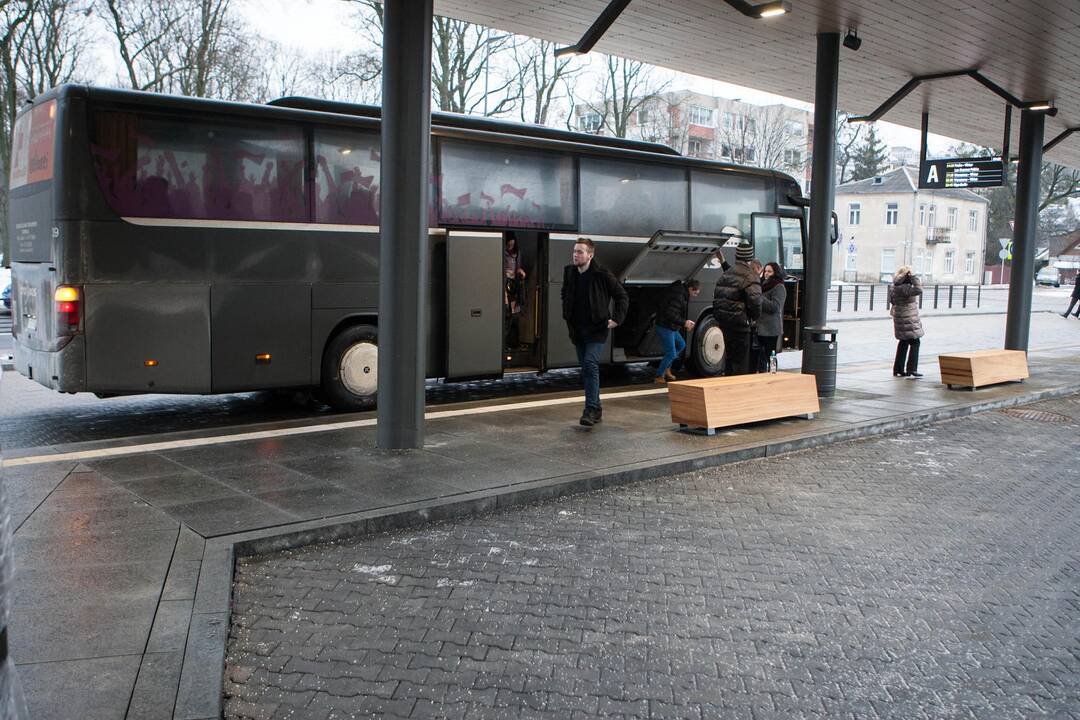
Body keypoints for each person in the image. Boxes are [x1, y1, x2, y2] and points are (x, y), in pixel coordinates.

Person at [562, 238, 629, 426]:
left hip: (597, 330)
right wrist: (566, 314)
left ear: (590, 255)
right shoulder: (569, 272)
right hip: (578, 329)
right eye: (575, 251)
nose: (576, 255)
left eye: (580, 252)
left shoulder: (602, 274)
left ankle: (590, 409)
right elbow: (565, 293)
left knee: (590, 365)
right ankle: (597, 408)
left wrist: (616, 318)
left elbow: (621, 295)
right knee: (586, 369)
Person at [712, 239, 762, 376]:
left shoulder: (727, 274)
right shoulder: (751, 276)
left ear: (737, 256)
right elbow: (755, 301)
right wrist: (754, 318)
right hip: (741, 324)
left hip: (724, 322)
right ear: (750, 259)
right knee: (741, 362)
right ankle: (737, 392)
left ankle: (727, 386)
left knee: (728, 358)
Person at [654, 278, 701, 383]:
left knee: (681, 345)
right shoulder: (679, 297)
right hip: (665, 326)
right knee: (671, 353)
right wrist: (684, 323)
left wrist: (684, 323)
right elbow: (670, 314)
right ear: (690, 289)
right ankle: (659, 376)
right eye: (695, 292)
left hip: (671, 326)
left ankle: (667, 368)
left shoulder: (682, 293)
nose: (696, 295)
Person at [889, 265, 925, 378]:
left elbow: (892, 301)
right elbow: (919, 290)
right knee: (915, 342)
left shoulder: (894, 286)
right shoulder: (904, 287)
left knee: (903, 342)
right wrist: (914, 277)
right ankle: (912, 369)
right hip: (908, 318)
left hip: (899, 317)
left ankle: (898, 369)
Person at [756, 262, 786, 372]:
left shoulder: (779, 286)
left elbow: (775, 307)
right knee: (760, 355)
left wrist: (760, 298)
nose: (766, 273)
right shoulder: (762, 285)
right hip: (760, 328)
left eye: (769, 271)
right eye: (765, 271)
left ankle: (773, 372)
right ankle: (762, 375)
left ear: (775, 273)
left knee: (771, 354)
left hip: (771, 329)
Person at [503, 235, 527, 349]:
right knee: (507, 313)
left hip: (514, 283)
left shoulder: (517, 253)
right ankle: (504, 342)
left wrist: (521, 271)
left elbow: (518, 267)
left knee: (514, 314)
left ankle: (512, 343)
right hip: (505, 282)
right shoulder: (502, 252)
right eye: (508, 245)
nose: (510, 247)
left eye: (512, 245)